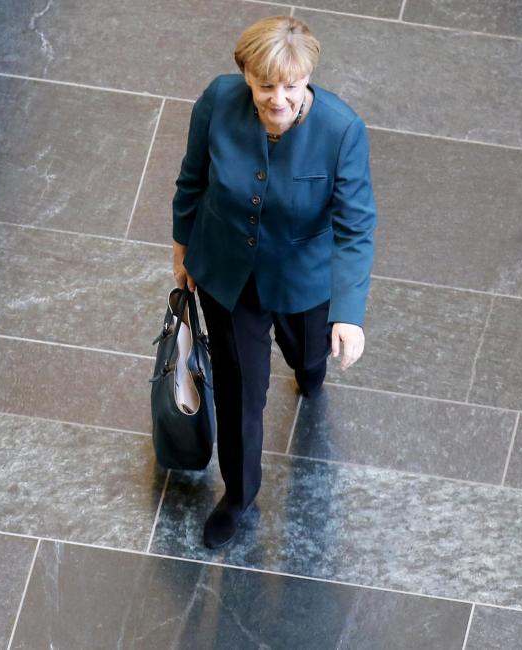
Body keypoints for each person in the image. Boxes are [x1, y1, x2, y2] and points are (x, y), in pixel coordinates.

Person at [171, 15, 377, 549]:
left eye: (291, 85)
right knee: (240, 391)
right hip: (228, 274)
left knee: (308, 356)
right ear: (246, 77)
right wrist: (182, 250)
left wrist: (349, 315)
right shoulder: (217, 101)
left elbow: (356, 228)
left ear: (307, 78)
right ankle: (239, 495)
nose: (278, 99)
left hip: (303, 279)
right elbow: (192, 179)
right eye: (265, 86)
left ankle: (310, 372)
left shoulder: (341, 130)